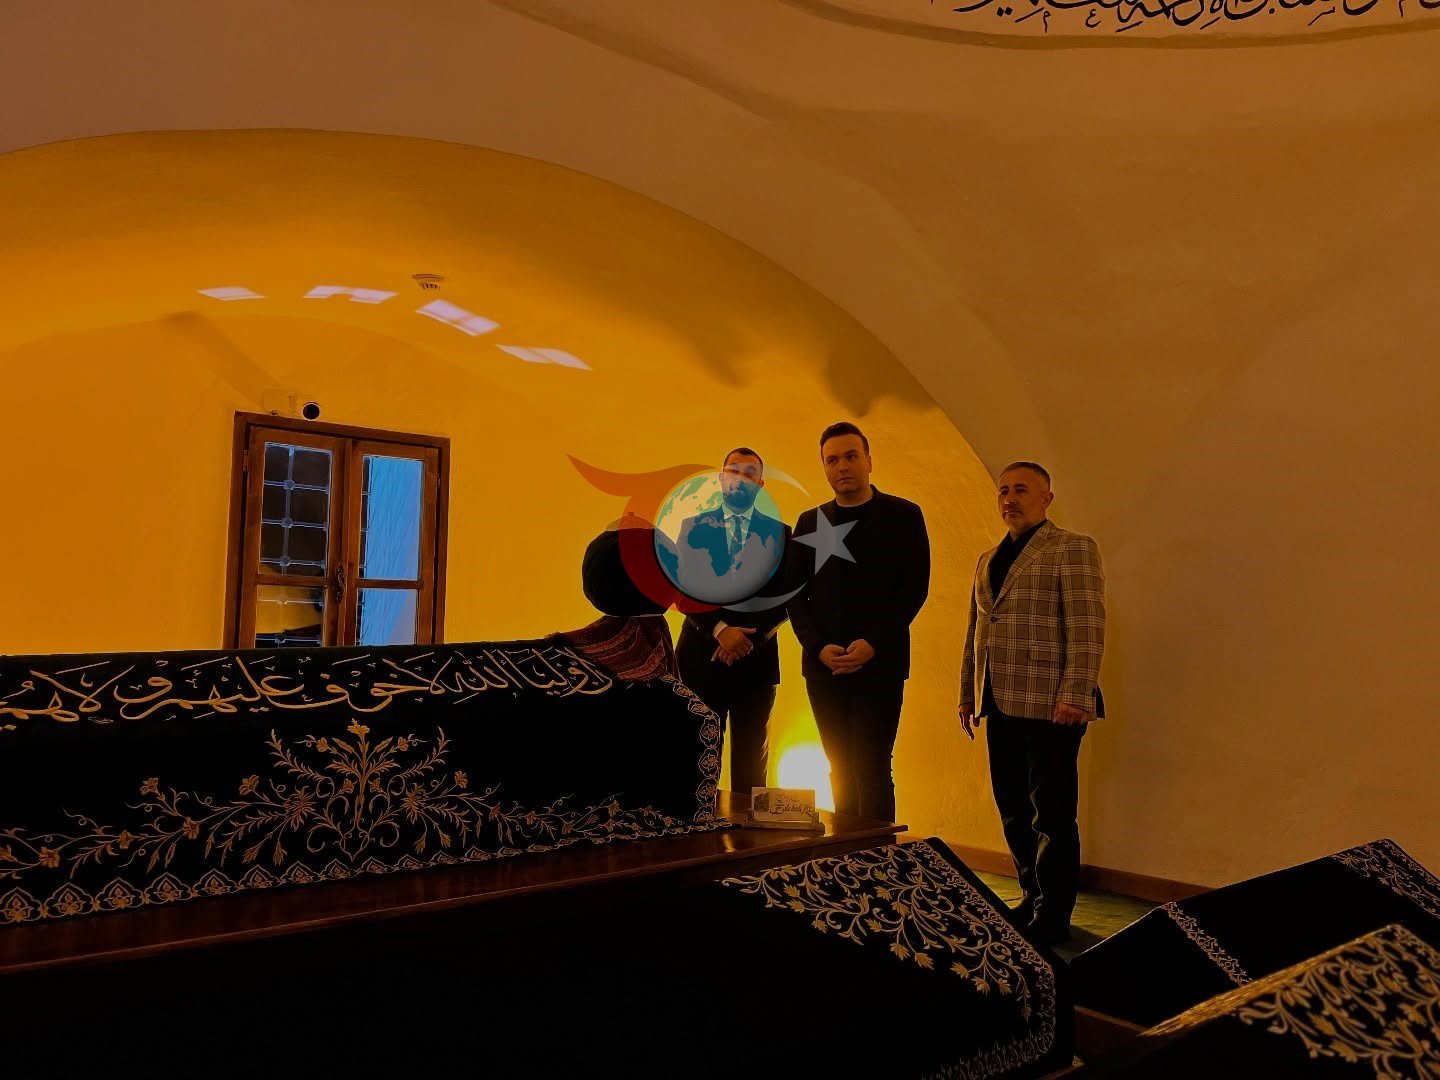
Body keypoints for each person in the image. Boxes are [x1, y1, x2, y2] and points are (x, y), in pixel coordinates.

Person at [958, 461, 1106, 944]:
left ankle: (1055, 914)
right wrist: (967, 694)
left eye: (1021, 489)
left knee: (1053, 816)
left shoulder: (1072, 547)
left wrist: (1075, 693)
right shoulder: (987, 558)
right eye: (1003, 490)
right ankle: (1031, 895)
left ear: (1046, 497)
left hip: (1051, 704)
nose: (1009, 498)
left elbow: (1087, 626)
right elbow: (976, 632)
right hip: (997, 699)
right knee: (1012, 809)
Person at [787, 422, 929, 822]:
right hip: (824, 666)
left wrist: (874, 643)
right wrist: (817, 647)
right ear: (824, 467)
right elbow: (794, 595)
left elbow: (913, 589)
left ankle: (880, 855)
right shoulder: (810, 522)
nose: (842, 466)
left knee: (873, 766)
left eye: (851, 456)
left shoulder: (903, 516)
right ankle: (844, 854)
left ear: (868, 460)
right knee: (838, 768)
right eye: (832, 460)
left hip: (880, 664)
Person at [672, 448, 791, 794]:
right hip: (699, 660)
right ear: (721, 478)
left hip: (757, 664)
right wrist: (721, 631)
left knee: (752, 769)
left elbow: (788, 596)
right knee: (694, 760)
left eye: (749, 473)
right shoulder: (692, 527)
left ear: (760, 485)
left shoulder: (782, 534)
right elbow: (682, 590)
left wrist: (748, 640)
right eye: (733, 471)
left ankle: (745, 830)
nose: (740, 478)